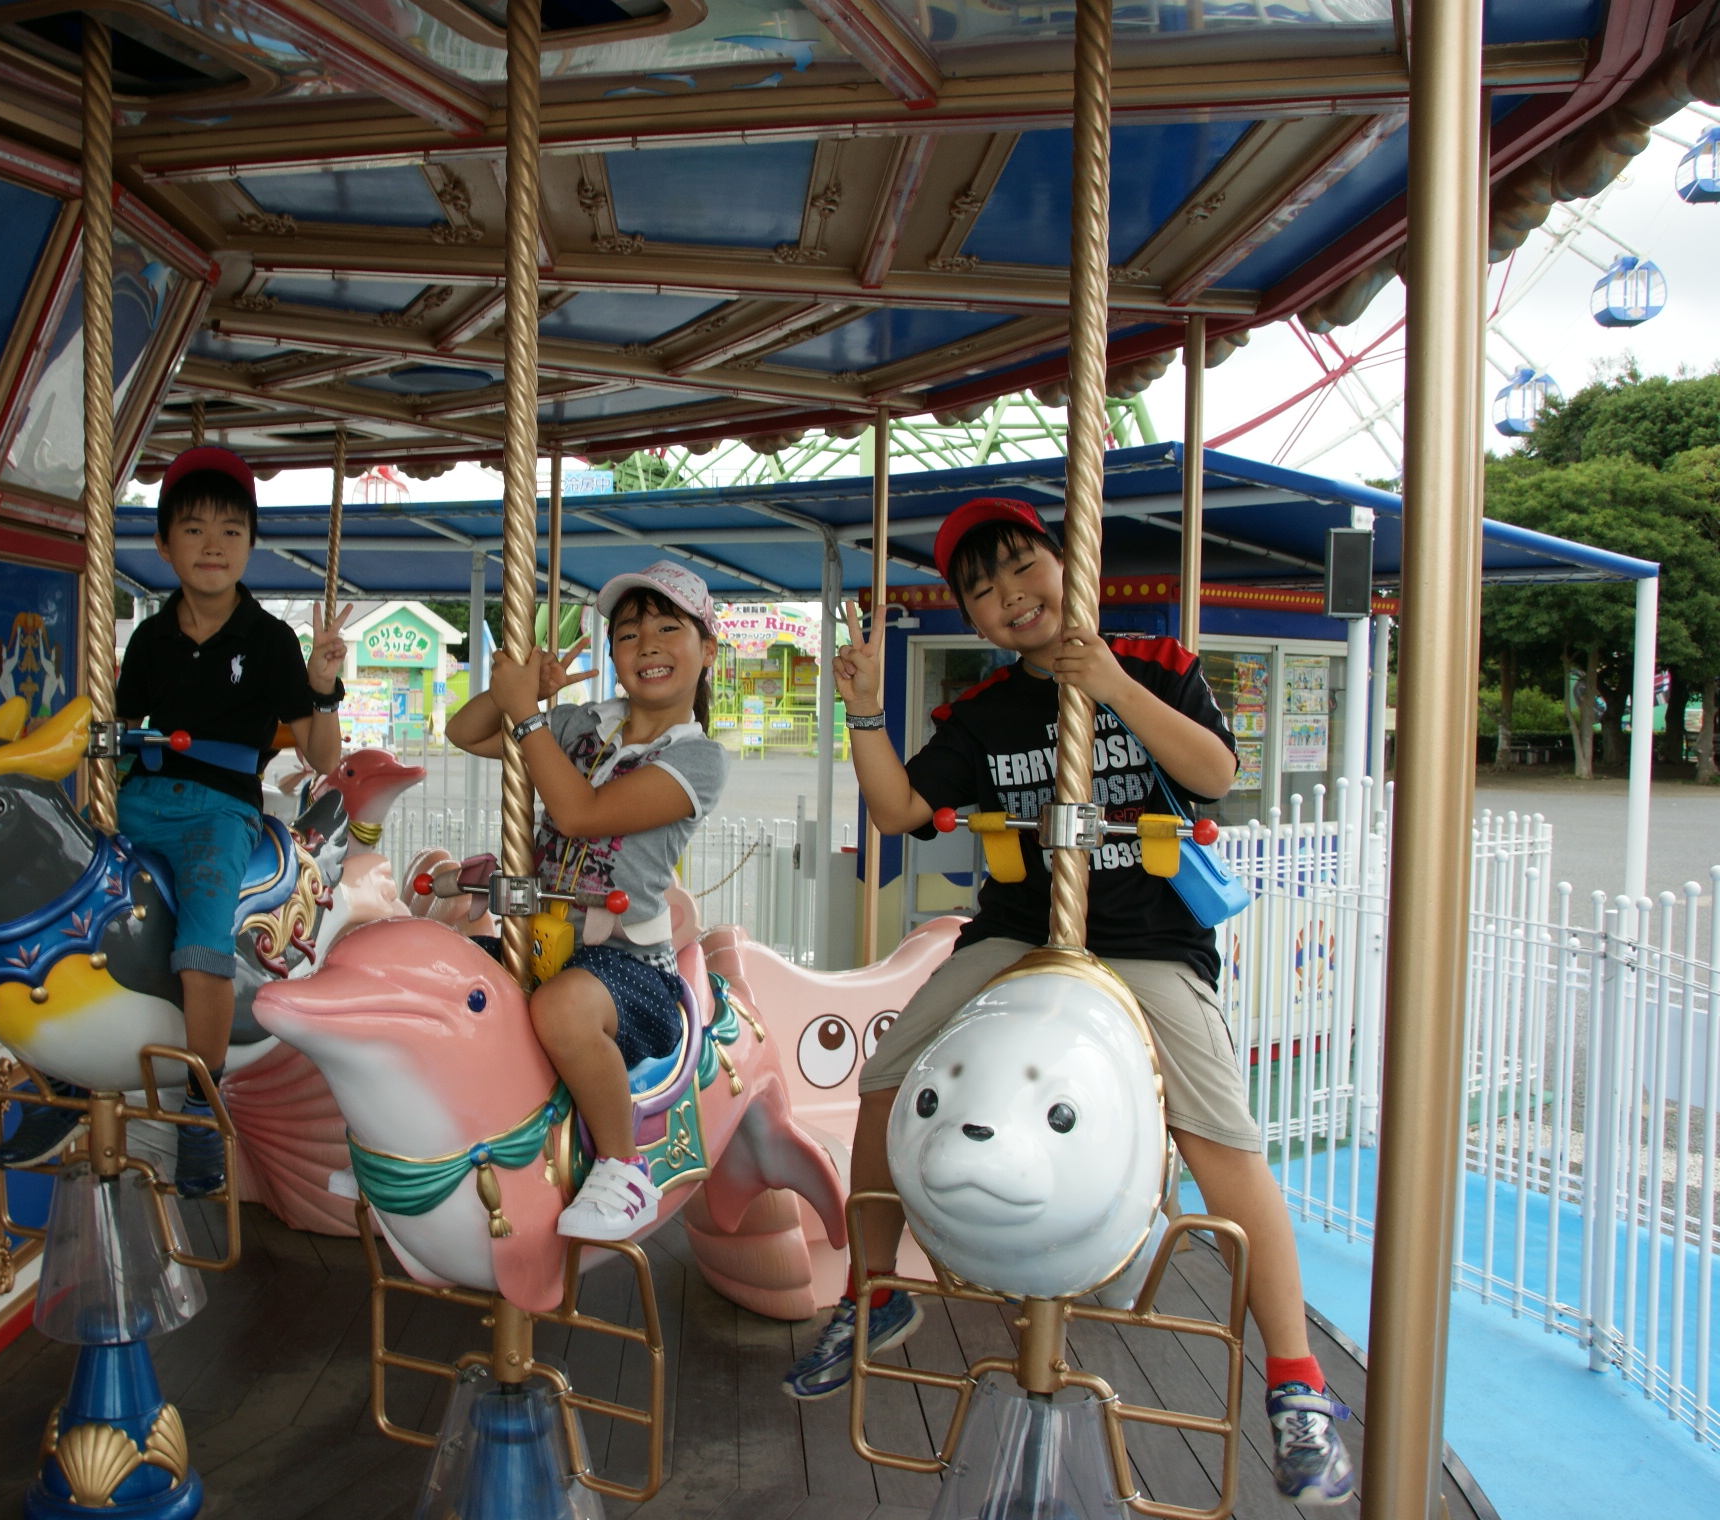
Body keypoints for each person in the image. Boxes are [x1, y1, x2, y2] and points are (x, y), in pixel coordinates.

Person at [781, 498, 1355, 1506]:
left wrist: (1114, 686)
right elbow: (898, 809)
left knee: (1220, 1131)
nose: (1009, 596)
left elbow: (1213, 773)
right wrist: (864, 711)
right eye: (983, 589)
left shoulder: (1155, 663)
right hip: (1015, 928)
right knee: (889, 1069)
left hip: (1140, 937)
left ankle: (1293, 1373)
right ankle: (873, 1288)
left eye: (1020, 568)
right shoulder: (982, 711)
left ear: (1062, 560)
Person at [0, 446, 347, 1193]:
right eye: (193, 530)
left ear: (250, 544)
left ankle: (202, 1099)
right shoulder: (151, 639)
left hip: (218, 816)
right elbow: (114, 722)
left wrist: (323, 689)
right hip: (137, 797)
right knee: (49, 903)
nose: (213, 545)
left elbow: (320, 754)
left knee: (199, 945)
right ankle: (61, 1077)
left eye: (230, 530)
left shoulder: (271, 641)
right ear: (163, 546)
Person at [445, 562, 727, 1242]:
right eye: (628, 635)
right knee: (436, 976)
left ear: (707, 649)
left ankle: (623, 1168)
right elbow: (466, 733)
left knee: (565, 1006)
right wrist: (517, 692)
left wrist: (525, 716)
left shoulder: (697, 761)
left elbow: (578, 814)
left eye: (668, 628)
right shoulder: (580, 725)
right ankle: (431, 1149)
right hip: (540, 938)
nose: (648, 645)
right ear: (612, 656)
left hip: (627, 966)